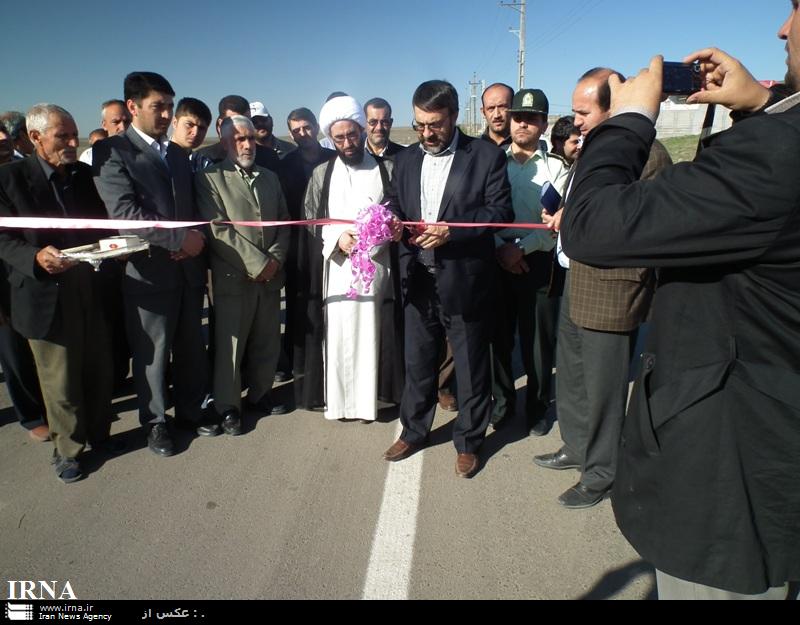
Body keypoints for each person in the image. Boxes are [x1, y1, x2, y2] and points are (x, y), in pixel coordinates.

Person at [560, 6, 800, 596]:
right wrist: (760, 108)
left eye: (796, 9)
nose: (782, 30)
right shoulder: (779, 141)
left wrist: (630, 120)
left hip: (736, 471)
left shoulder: (778, 155)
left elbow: (592, 225)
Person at [533, 68, 672, 509]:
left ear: (613, 108)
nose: (575, 121)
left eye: (582, 111)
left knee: (604, 387)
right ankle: (576, 447)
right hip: (578, 275)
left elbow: (632, 222)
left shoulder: (646, 154)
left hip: (613, 287)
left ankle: (601, 473)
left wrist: (573, 219)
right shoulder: (592, 148)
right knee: (572, 374)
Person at [383, 80, 513, 478]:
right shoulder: (404, 160)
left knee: (472, 368)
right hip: (417, 279)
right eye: (420, 124)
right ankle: (414, 430)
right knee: (418, 362)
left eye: (435, 124)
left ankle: (469, 441)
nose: (426, 133)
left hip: (465, 280)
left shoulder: (485, 156)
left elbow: (500, 212)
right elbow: (394, 202)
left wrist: (453, 231)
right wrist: (389, 220)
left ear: (455, 116)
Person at [94, 72, 212, 456]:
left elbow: (194, 208)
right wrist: (179, 240)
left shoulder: (178, 154)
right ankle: (156, 422)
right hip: (148, 273)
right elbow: (126, 214)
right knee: (153, 355)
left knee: (191, 346)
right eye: (156, 106)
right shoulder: (112, 152)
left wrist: (197, 240)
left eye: (168, 107)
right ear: (132, 107)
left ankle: (192, 411)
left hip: (188, 270)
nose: (165, 115)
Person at [0, 104, 114, 482]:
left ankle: (100, 434)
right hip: (42, 292)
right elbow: (4, 240)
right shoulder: (9, 179)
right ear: (35, 138)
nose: (71, 142)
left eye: (73, 135)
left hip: (87, 284)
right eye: (61, 136)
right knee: (60, 379)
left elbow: (102, 224)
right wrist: (34, 256)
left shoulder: (82, 175)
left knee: (98, 367)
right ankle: (68, 450)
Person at [296, 96, 403, 421]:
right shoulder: (322, 173)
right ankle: (341, 404)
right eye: (339, 138)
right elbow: (312, 220)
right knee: (341, 337)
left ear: (361, 130)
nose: (347, 143)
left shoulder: (386, 169)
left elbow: (397, 212)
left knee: (372, 335)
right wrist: (337, 239)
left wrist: (381, 236)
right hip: (339, 269)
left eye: (352, 135)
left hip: (377, 266)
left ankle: (369, 403)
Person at [196, 116, 290, 435]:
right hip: (234, 277)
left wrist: (274, 260)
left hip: (270, 276)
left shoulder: (270, 178)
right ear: (225, 143)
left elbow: (284, 222)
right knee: (231, 346)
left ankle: (260, 394)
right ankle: (228, 406)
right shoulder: (210, 178)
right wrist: (256, 264)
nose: (247, 144)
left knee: (266, 339)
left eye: (250, 138)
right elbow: (218, 230)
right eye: (239, 139)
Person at [491, 89, 569, 436]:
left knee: (538, 341)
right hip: (495, 259)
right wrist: (499, 248)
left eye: (532, 118)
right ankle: (502, 403)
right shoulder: (491, 162)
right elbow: (478, 212)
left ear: (543, 123)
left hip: (537, 261)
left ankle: (537, 408)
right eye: (518, 117)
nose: (523, 123)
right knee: (498, 338)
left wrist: (519, 249)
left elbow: (557, 225)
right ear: (509, 120)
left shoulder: (559, 168)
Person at [275, 108, 336, 382]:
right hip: (297, 244)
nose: (303, 133)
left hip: (331, 239)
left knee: (329, 300)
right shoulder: (284, 164)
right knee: (298, 301)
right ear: (291, 133)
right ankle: (296, 359)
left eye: (307, 127)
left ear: (316, 127)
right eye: (296, 130)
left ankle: (328, 355)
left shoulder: (333, 159)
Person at [196, 95, 280, 172]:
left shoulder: (269, 157)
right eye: (235, 121)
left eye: (247, 121)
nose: (242, 125)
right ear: (221, 124)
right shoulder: (203, 159)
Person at [77, 100, 130, 167]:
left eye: (127, 121)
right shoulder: (93, 156)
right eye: (115, 122)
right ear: (104, 125)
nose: (123, 128)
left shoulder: (144, 150)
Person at [170, 97, 212, 171]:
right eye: (189, 124)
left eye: (201, 128)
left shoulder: (204, 165)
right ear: (175, 123)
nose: (195, 133)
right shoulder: (156, 158)